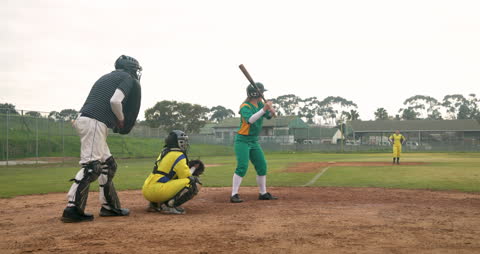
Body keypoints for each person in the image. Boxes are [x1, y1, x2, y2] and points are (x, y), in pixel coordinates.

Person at [61, 55, 142, 223]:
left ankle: (109, 207)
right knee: (92, 167)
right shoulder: (126, 77)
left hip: (91, 121)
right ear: (131, 69)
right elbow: (115, 101)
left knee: (109, 165)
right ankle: (72, 208)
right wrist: (121, 119)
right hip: (95, 122)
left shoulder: (107, 77)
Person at [230, 82, 277, 203]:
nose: (263, 95)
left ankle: (263, 193)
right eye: (261, 93)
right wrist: (264, 109)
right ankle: (234, 194)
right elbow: (250, 120)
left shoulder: (260, 104)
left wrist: (271, 111)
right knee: (242, 166)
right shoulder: (245, 106)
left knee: (262, 165)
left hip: (254, 140)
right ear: (256, 94)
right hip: (242, 140)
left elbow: (267, 116)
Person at [142, 130, 205, 214]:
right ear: (178, 142)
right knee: (194, 182)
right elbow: (186, 176)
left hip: (147, 189)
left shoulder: (164, 152)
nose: (186, 144)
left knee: (168, 178)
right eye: (183, 141)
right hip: (158, 191)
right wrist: (193, 168)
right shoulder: (179, 155)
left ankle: (154, 204)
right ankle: (170, 206)